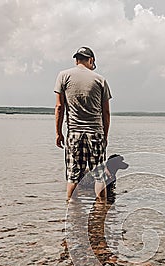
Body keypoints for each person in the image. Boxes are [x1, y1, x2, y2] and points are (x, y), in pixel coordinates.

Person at [54, 46, 112, 201]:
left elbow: (60, 107)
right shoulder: (100, 80)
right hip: (95, 134)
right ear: (91, 60)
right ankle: (101, 214)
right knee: (99, 177)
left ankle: (71, 213)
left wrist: (59, 133)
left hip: (74, 134)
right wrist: (105, 136)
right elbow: (106, 113)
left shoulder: (63, 76)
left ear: (76, 59)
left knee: (73, 176)